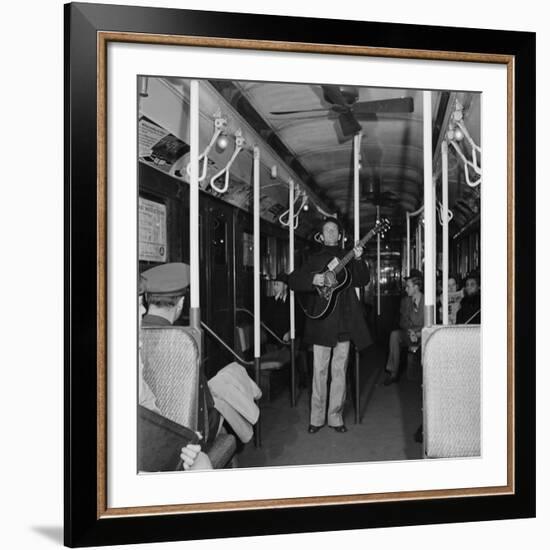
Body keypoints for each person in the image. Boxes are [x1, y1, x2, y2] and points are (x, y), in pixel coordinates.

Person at [288, 218, 371, 434]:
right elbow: (294, 280)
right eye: (327, 230)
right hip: (321, 322)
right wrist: (314, 279)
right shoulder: (313, 259)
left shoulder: (349, 257)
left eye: (334, 230)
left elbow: (363, 280)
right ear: (321, 236)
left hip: (344, 322)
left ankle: (335, 417)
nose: (331, 233)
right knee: (320, 371)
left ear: (340, 235)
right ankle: (316, 418)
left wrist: (360, 260)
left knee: (339, 372)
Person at [141, 263, 221, 451]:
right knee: (228, 388)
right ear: (181, 304)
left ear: (146, 299)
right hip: (185, 437)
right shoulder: (183, 344)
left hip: (145, 431)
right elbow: (205, 409)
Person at [384, 274, 424, 385]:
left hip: (423, 333)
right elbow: (403, 321)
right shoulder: (406, 301)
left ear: (416, 287)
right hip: (409, 333)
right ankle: (393, 373)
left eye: (408, 286)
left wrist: (418, 334)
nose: (406, 289)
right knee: (394, 335)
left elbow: (429, 323)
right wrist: (410, 331)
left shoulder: (427, 301)